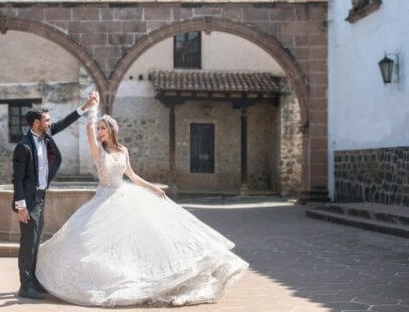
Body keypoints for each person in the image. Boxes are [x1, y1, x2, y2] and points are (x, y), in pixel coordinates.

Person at [35, 92, 249, 307]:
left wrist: (153, 187)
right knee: (86, 239)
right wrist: (93, 109)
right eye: (99, 128)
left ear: (111, 131)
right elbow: (88, 130)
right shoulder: (98, 151)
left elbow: (132, 175)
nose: (99, 131)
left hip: (123, 197)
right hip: (103, 199)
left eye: (103, 128)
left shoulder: (123, 151)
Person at [12, 93, 98, 300]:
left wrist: (85, 107)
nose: (50, 123)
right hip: (29, 201)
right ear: (36, 123)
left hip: (41, 197)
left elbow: (65, 122)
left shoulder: (46, 135)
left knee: (36, 241)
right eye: (47, 120)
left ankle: (32, 281)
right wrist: (21, 207)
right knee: (27, 243)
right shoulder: (23, 147)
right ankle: (25, 286)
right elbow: (17, 179)